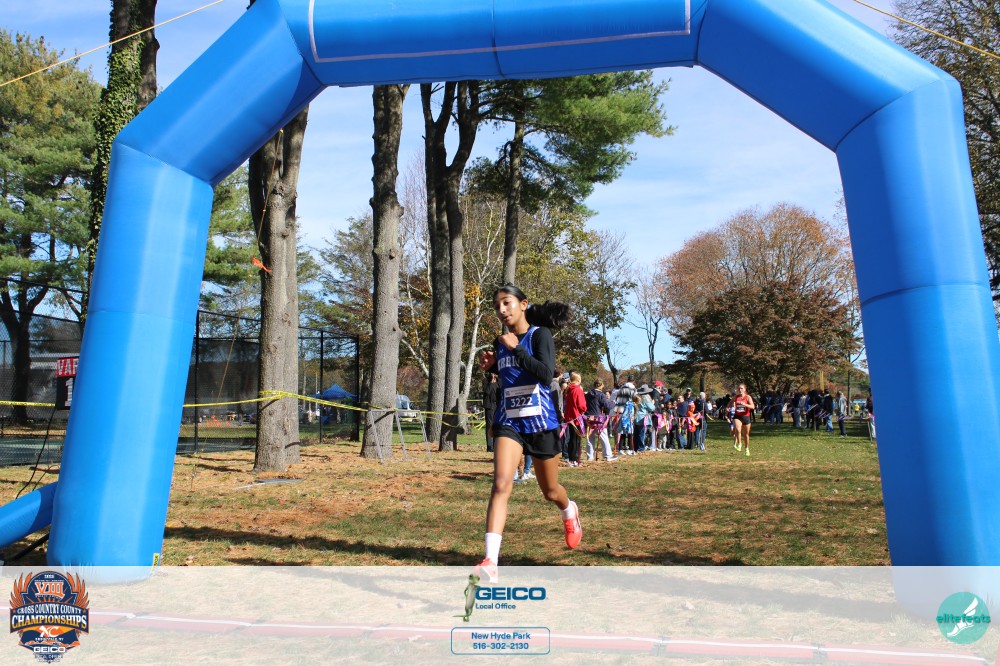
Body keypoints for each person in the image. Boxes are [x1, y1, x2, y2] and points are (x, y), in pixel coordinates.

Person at [475, 286, 582, 583]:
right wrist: (492, 367)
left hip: (540, 422)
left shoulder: (539, 335)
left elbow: (546, 375)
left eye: (506, 303)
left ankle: (569, 509)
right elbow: (511, 376)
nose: (501, 310)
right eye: (497, 305)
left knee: (551, 491)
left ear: (523, 304)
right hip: (509, 421)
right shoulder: (501, 342)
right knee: (501, 484)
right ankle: (490, 560)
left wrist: (516, 350)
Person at [584, 379, 616, 461]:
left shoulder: (587, 395)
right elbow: (607, 406)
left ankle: (590, 457)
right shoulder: (601, 395)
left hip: (589, 418)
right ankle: (608, 455)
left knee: (590, 437)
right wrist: (613, 403)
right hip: (598, 418)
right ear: (601, 386)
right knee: (603, 436)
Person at [563, 372, 587, 467]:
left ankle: (571, 458)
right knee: (576, 439)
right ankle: (574, 459)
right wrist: (584, 409)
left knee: (572, 438)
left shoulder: (568, 389)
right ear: (578, 380)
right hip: (576, 417)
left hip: (569, 416)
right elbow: (581, 404)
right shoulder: (577, 390)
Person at [732, 383, 755, 457]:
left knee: (746, 435)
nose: (740, 390)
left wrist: (745, 405)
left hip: (746, 417)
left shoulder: (748, 397)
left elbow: (753, 406)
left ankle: (747, 448)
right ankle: (739, 444)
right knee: (738, 429)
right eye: (739, 388)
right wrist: (728, 408)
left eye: (741, 388)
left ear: (745, 389)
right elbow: (730, 402)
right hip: (737, 416)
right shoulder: (736, 397)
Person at [483, 373, 500, 453]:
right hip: (489, 406)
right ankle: (489, 446)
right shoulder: (486, 381)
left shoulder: (499, 382)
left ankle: (495, 445)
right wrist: (491, 382)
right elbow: (487, 392)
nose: (493, 374)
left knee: (496, 426)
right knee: (489, 426)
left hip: (497, 406)